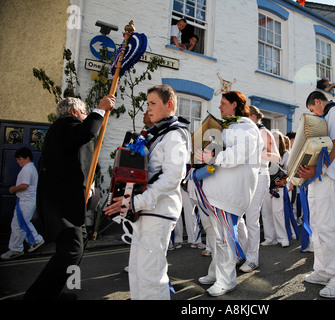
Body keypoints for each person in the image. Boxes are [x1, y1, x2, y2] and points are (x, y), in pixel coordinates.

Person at [24, 95, 115, 300]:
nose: (85, 116)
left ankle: (56, 291)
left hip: (70, 203)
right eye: (84, 112)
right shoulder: (66, 125)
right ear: (74, 112)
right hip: (63, 205)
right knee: (72, 250)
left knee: (78, 244)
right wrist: (100, 109)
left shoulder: (63, 132)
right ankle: (37, 296)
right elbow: (86, 131)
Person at [105, 85, 190, 300]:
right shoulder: (158, 134)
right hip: (146, 210)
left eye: (153, 103)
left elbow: (172, 179)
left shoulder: (174, 136)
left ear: (169, 105)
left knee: (151, 273)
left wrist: (135, 202)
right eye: (147, 103)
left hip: (158, 211)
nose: (148, 108)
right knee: (137, 269)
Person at [193, 91, 262, 296]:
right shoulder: (231, 127)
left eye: (223, 103)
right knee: (216, 237)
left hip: (229, 193)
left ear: (234, 104)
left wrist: (213, 157)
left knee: (224, 238)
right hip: (219, 191)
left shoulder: (246, 127)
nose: (220, 107)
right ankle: (216, 272)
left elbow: (239, 154)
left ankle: (227, 280)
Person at [296, 91, 335, 298]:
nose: (313, 113)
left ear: (318, 102)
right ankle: (324, 270)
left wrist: (319, 169)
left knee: (328, 226)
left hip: (327, 176)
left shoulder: (334, 110)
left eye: (312, 109)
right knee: (317, 225)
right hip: (319, 177)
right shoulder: (327, 113)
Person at [239, 106, 280, 272]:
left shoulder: (264, 133)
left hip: (260, 175)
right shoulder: (247, 133)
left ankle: (252, 259)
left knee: (252, 220)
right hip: (245, 176)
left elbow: (276, 156)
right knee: (238, 216)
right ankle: (242, 252)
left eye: (247, 116)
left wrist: (256, 152)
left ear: (254, 117)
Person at [1, 148, 44, 260]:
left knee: (18, 225)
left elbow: (25, 185)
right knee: (23, 223)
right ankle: (36, 240)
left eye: (19, 159)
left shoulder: (27, 169)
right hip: (27, 200)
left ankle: (16, 249)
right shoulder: (30, 168)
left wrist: (13, 189)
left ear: (27, 158)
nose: (17, 161)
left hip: (26, 201)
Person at [261, 131, 292, 248]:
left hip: (279, 187)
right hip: (266, 185)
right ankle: (270, 238)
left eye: (276, 138)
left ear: (281, 141)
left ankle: (283, 238)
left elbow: (290, 171)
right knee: (266, 212)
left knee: (278, 213)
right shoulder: (265, 152)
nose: (274, 140)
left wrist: (285, 181)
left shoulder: (286, 154)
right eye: (272, 138)